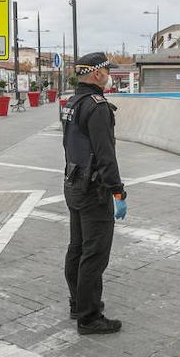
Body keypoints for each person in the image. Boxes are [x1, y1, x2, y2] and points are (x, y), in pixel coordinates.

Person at [62, 52, 127, 335]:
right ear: (97, 74)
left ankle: (78, 303)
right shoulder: (98, 106)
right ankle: (89, 317)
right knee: (95, 254)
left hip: (73, 183)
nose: (108, 75)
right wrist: (117, 191)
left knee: (77, 248)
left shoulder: (71, 102)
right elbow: (105, 154)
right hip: (93, 189)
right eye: (106, 71)